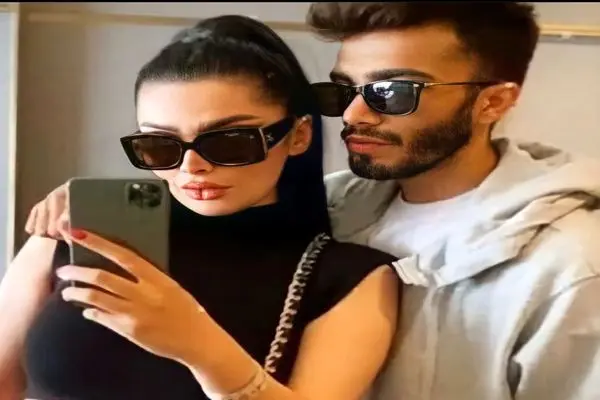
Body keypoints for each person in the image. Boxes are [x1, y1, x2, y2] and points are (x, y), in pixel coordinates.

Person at [0, 15, 399, 400]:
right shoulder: (78, 232)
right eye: (160, 146)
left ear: (298, 135)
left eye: (230, 142)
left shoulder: (346, 277)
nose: (191, 166)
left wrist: (199, 346)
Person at [305, 2, 600, 400]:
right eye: (343, 91)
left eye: (392, 93)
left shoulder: (569, 265)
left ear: (493, 102)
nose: (353, 115)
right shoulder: (326, 212)